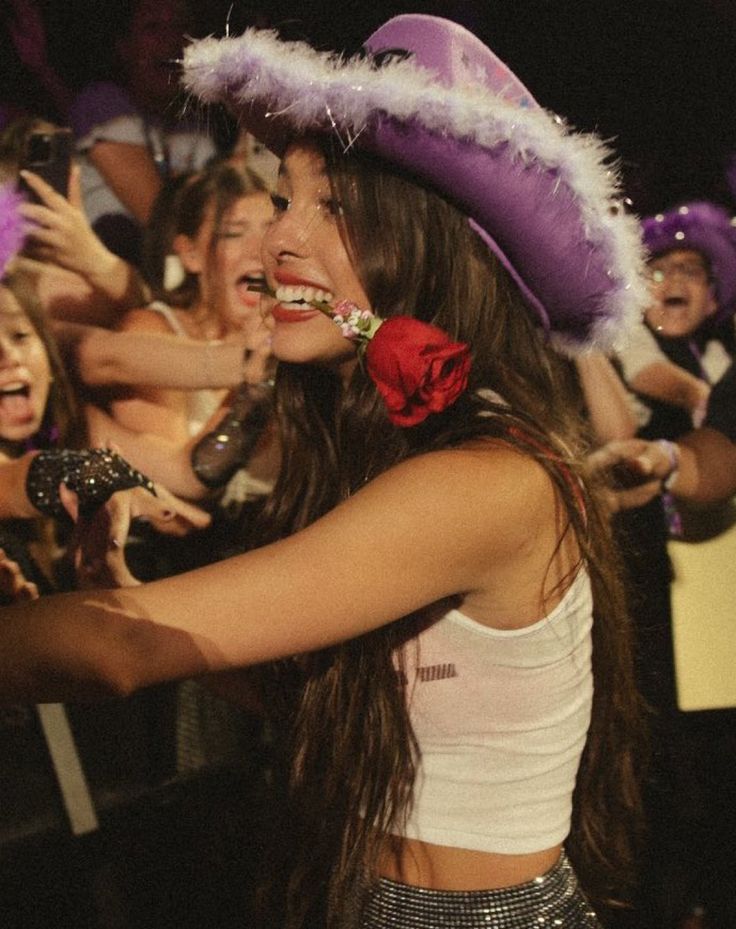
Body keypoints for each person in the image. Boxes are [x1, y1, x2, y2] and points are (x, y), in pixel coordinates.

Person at [0, 15, 649, 929]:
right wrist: (120, 584)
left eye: (334, 207)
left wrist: (116, 621)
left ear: (432, 242)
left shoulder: (490, 478)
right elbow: (318, 695)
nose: (277, 244)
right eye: (281, 201)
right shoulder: (398, 454)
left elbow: (120, 649)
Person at [67, 0, 216, 265]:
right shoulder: (102, 105)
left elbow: (212, 213)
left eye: (181, 26)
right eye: (152, 27)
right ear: (124, 48)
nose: (172, 41)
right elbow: (161, 219)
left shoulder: (191, 122)